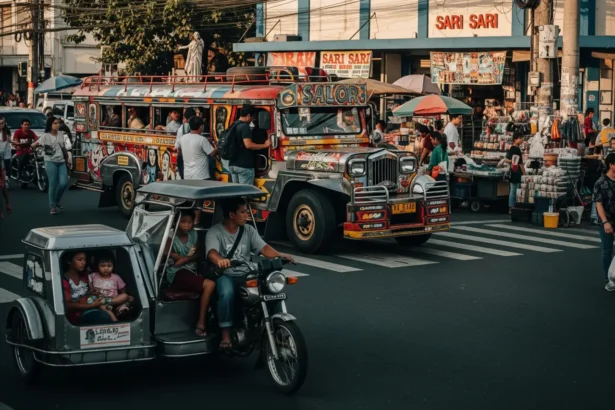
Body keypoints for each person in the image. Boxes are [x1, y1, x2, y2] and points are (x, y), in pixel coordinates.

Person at [206, 197, 293, 349]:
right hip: (227, 274)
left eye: (247, 211)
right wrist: (220, 260)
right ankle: (225, 334)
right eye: (243, 212)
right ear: (232, 215)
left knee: (270, 289)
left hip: (247, 274)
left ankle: (277, 328)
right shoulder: (215, 232)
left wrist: (280, 255)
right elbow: (212, 252)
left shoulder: (248, 230)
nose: (247, 215)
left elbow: (263, 248)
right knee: (226, 293)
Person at [164, 210, 216, 336]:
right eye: (183, 222)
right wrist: (177, 259)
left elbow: (198, 253)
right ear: (176, 222)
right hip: (177, 273)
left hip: (192, 270)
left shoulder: (194, 234)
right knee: (210, 285)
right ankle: (201, 323)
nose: (186, 225)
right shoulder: (170, 235)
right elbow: (167, 253)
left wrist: (185, 259)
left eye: (189, 222)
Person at [177, 116, 216, 224]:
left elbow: (178, 149)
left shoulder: (183, 138)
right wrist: (217, 147)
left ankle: (188, 220)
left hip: (188, 174)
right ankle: (196, 221)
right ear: (201, 127)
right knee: (199, 201)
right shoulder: (202, 139)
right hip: (201, 175)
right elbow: (212, 153)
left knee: (191, 199)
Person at [62, 251, 113, 325]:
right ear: (69, 261)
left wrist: (92, 293)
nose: (83, 263)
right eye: (79, 260)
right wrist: (91, 306)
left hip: (91, 305)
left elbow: (85, 294)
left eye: (84, 260)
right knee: (103, 317)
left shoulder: (84, 277)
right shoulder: (65, 280)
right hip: (77, 314)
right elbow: (68, 305)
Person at [31, 117, 70, 215]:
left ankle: (57, 201)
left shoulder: (61, 134)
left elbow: (63, 148)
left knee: (64, 183)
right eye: (55, 123)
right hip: (50, 162)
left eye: (58, 123)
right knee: (53, 184)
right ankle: (52, 206)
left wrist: (67, 159)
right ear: (50, 125)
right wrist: (32, 147)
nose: (57, 125)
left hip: (61, 161)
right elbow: (35, 144)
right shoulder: (45, 136)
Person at [228, 105, 271, 185]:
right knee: (245, 192)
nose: (252, 120)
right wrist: (265, 145)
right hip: (244, 165)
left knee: (236, 192)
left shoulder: (233, 125)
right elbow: (248, 145)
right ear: (248, 115)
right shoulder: (245, 127)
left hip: (233, 164)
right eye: (252, 117)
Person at [88, 251, 134, 322]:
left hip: (113, 300)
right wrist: (93, 293)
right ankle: (114, 319)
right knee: (98, 303)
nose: (106, 268)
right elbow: (89, 290)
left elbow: (122, 291)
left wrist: (124, 298)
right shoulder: (93, 276)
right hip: (99, 301)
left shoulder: (116, 277)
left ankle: (119, 308)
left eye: (109, 266)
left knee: (125, 296)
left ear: (113, 266)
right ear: (97, 266)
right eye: (103, 266)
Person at [593, 153, 615, 290]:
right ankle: (609, 278)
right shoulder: (601, 182)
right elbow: (598, 203)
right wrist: (605, 222)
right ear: (611, 165)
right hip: (606, 220)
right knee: (607, 249)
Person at [505, 133, 526, 213]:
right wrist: (524, 173)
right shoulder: (516, 149)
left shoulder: (511, 148)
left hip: (513, 170)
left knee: (513, 189)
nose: (521, 140)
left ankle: (511, 207)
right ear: (515, 139)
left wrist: (512, 161)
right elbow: (520, 163)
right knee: (515, 189)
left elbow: (506, 159)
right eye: (520, 138)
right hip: (516, 172)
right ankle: (512, 206)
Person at [175, 107, 197, 179]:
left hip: (183, 157)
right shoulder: (197, 128)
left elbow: (177, 146)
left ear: (185, 118)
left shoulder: (181, 129)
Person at [0, 117, 11, 186]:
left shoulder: (7, 131)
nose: (1, 125)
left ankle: (6, 180)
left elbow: (10, 140)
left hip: (6, 151)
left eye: (2, 123)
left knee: (7, 166)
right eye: (0, 123)